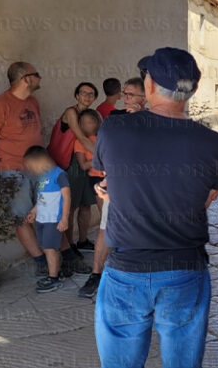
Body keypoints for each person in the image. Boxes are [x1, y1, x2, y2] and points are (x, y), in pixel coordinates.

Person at [93, 48, 218, 367]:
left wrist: (116, 191)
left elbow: (109, 176)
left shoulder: (114, 129)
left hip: (127, 268)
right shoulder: (214, 142)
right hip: (185, 268)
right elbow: (207, 198)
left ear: (149, 85)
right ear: (193, 89)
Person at [77, 77, 145, 299]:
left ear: (144, 98)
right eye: (124, 93)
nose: (125, 98)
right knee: (105, 229)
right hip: (116, 183)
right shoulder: (114, 118)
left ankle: (135, 277)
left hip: (141, 187)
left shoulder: (153, 122)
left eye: (131, 94)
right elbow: (105, 147)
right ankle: (96, 275)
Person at [0, 62, 46, 275]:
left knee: (48, 211)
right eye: (37, 75)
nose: (40, 78)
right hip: (13, 171)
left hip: (38, 168)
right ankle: (42, 263)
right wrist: (2, 162)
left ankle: (56, 257)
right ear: (26, 78)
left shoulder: (33, 102)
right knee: (22, 217)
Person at [47, 82, 98, 252]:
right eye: (83, 93)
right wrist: (104, 156)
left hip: (89, 162)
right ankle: (68, 246)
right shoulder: (71, 112)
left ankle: (82, 240)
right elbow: (82, 138)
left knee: (86, 205)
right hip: (71, 163)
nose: (87, 96)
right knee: (71, 206)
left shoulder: (94, 114)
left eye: (91, 94)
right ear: (77, 95)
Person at [23, 146, 70, 293]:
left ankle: (53, 278)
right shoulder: (42, 177)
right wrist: (34, 211)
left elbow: (67, 197)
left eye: (32, 166)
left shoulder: (59, 174)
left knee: (50, 249)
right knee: (46, 247)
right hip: (43, 219)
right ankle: (56, 272)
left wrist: (64, 219)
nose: (31, 170)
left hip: (53, 219)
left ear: (42, 161)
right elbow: (42, 198)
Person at [73, 109, 105, 217]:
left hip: (111, 175)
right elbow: (83, 165)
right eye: (83, 123)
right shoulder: (80, 142)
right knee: (104, 211)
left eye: (91, 121)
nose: (87, 125)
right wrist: (100, 159)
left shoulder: (104, 137)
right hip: (97, 178)